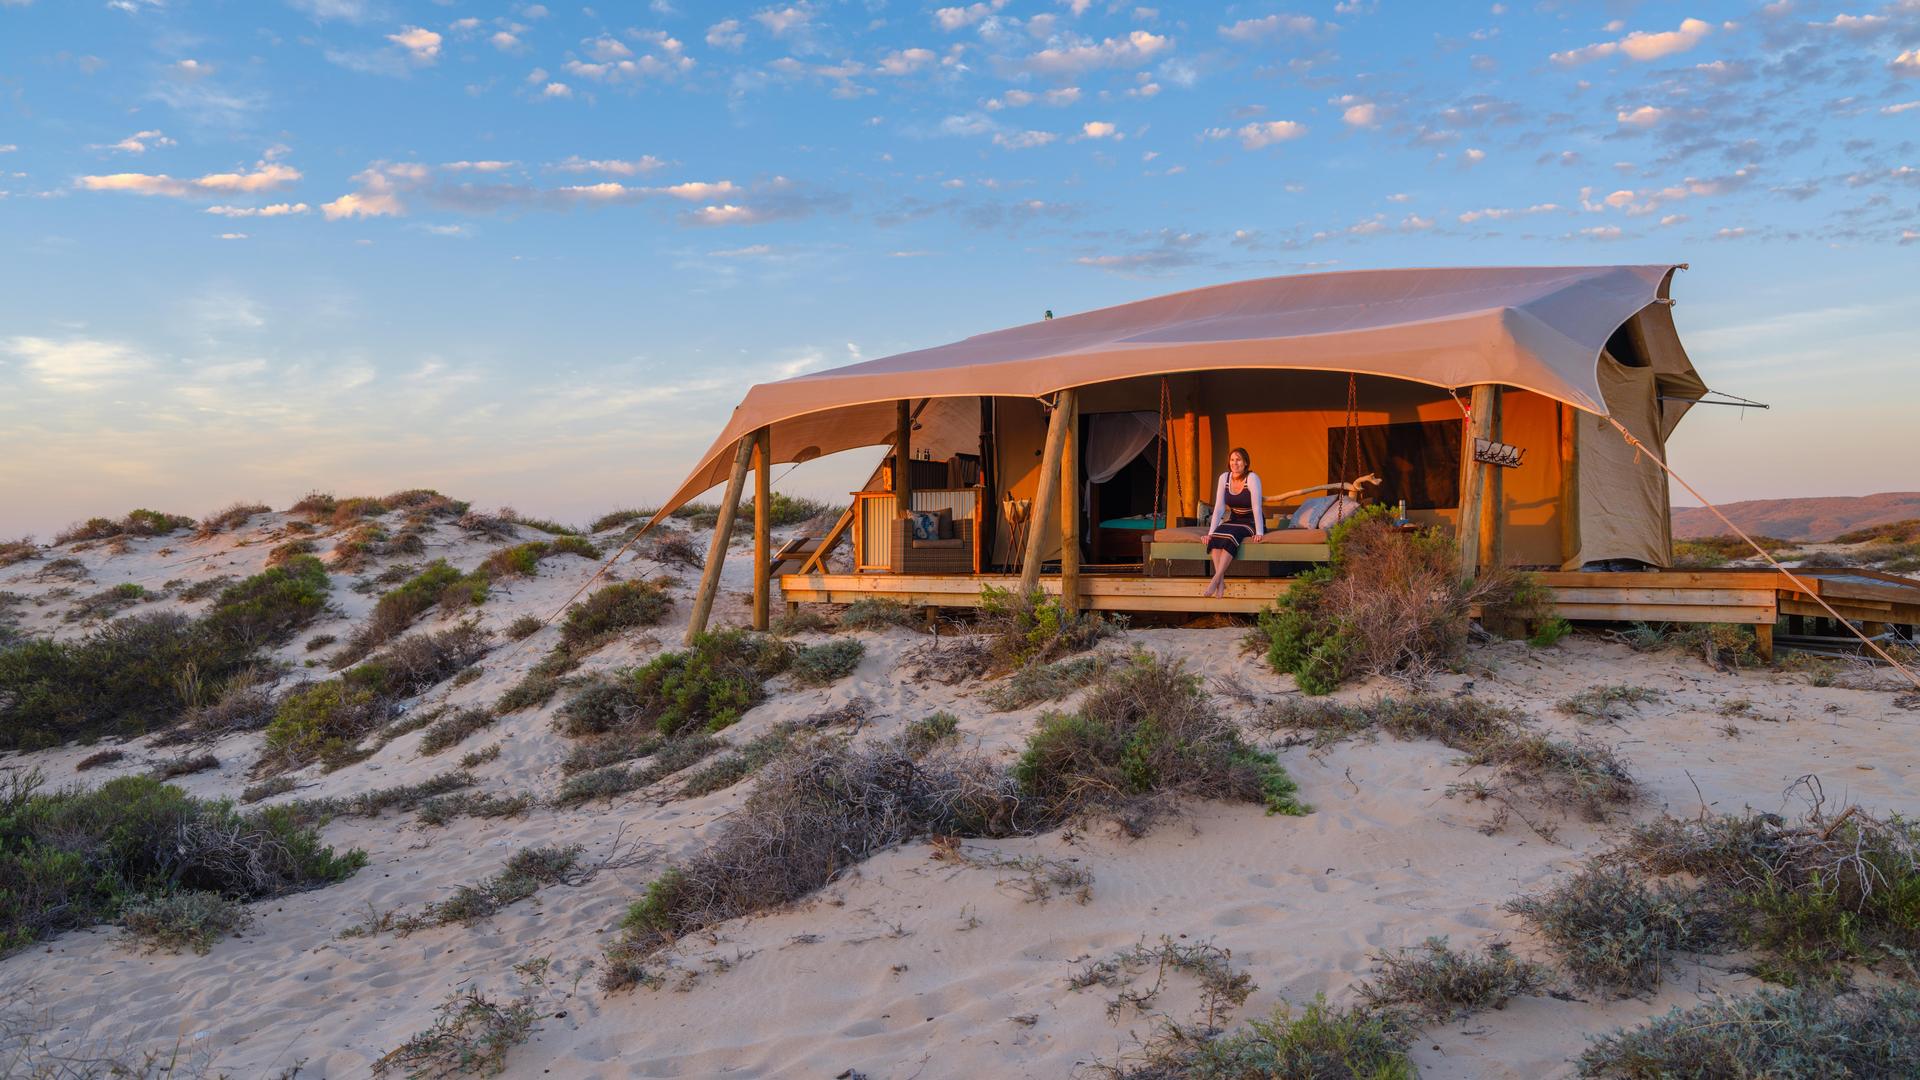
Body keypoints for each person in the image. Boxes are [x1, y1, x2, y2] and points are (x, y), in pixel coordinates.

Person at [1203, 447, 1263, 598]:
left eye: (1238, 460)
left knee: (1231, 535)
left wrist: (1259, 532)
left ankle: (1215, 579)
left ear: (1245, 463)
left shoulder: (1252, 478)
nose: (1235, 463)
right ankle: (1221, 582)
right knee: (1217, 536)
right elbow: (1219, 507)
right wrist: (1210, 533)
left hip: (1251, 521)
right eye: (1232, 460)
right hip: (1235, 519)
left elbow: (1256, 506)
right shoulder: (1224, 478)